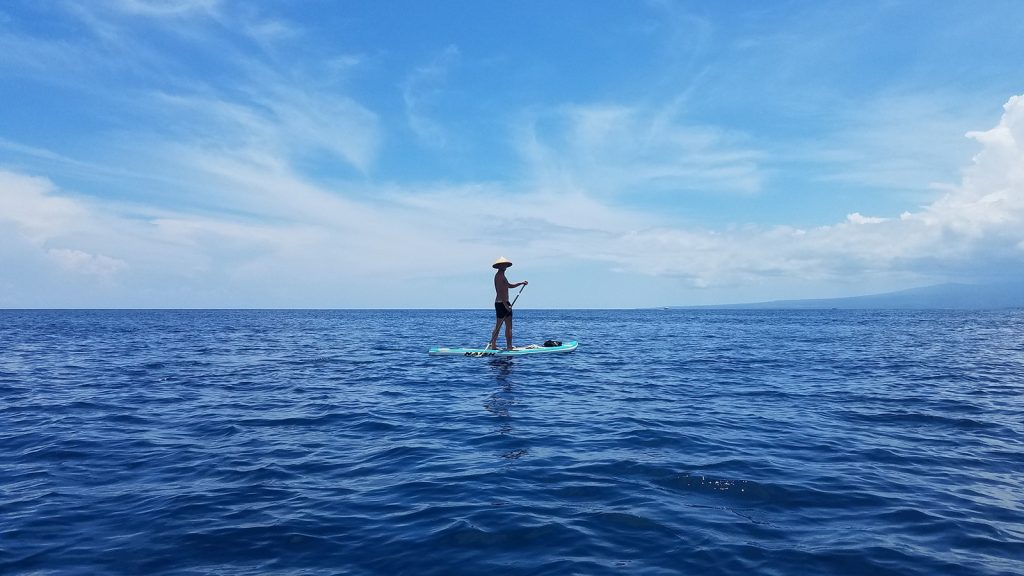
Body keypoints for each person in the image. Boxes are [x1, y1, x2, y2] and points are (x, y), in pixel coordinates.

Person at [488, 257, 528, 350]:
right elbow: (500, 291)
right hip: (503, 303)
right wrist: (506, 305)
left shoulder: (501, 276)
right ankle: (509, 346)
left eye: (505, 264)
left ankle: (494, 345)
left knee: (499, 325)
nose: (505, 266)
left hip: (500, 303)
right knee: (508, 326)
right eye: (503, 264)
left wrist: (521, 283)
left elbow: (509, 285)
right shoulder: (499, 276)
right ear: (499, 266)